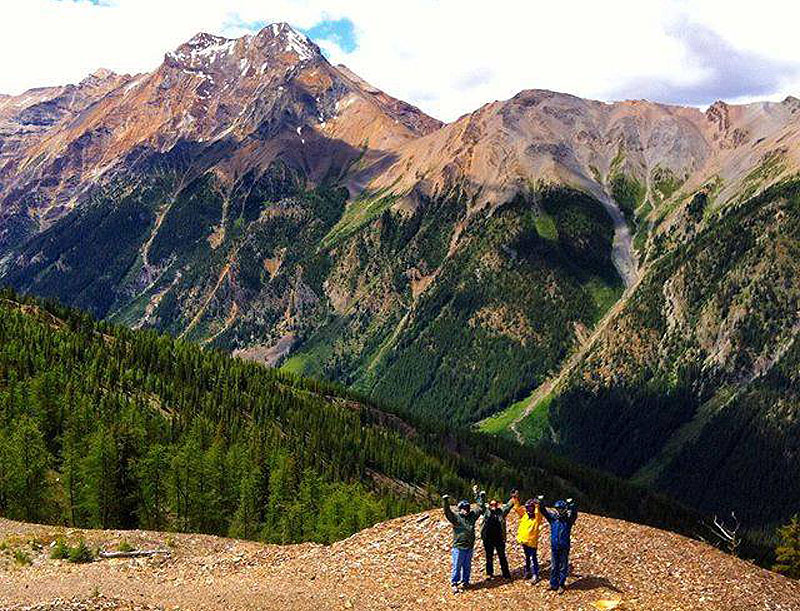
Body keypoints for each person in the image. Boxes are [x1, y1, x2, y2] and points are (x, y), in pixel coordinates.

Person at [442, 486, 485, 594]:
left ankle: (465, 582)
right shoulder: (456, 518)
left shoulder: (472, 517)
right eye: (463, 508)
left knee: (467, 566)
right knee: (457, 566)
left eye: (467, 508)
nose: (465, 510)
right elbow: (447, 512)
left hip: (469, 547)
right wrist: (446, 501)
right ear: (460, 508)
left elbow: (481, 508)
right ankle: (454, 584)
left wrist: (479, 496)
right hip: (459, 547)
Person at [540, 498, 578, 594]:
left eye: (561, 509)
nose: (559, 511)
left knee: (563, 566)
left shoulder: (568, 521)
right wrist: (541, 502)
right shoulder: (553, 519)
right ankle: (553, 584)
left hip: (564, 546)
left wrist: (571, 505)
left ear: (565, 509)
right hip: (554, 546)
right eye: (558, 509)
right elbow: (544, 512)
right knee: (554, 566)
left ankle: (561, 584)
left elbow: (574, 514)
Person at [479, 491, 514, 580]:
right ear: (489, 505)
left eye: (495, 504)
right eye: (491, 504)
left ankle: (506, 574)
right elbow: (481, 504)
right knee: (489, 557)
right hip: (488, 539)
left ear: (498, 505)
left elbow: (509, 506)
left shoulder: (501, 512)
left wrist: (513, 497)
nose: (493, 506)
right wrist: (481, 496)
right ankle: (489, 574)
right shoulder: (486, 512)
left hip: (499, 538)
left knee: (502, 556)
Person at [512, 491, 544, 584]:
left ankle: (535, 575)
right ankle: (528, 571)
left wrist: (537, 504)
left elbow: (538, 511)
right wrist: (515, 499)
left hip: (532, 542)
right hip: (524, 541)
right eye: (527, 508)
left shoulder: (537, 517)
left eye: (531, 507)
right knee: (527, 557)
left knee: (533, 558)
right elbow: (517, 508)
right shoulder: (525, 515)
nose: (529, 509)